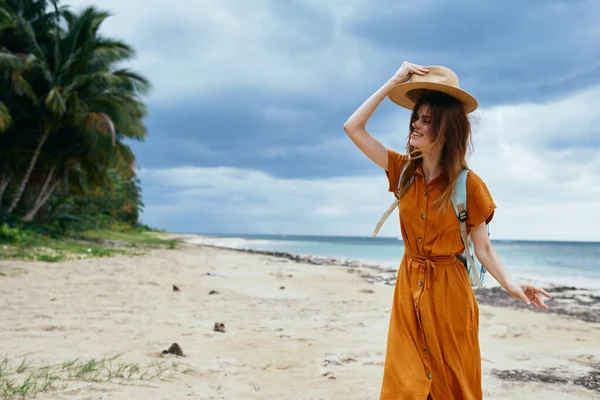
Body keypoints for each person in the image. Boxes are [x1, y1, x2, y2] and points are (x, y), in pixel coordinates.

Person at [343, 62, 552, 400]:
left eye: (426, 120)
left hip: (450, 296)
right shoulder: (402, 171)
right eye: (416, 117)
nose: (415, 124)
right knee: (404, 384)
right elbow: (353, 127)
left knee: (454, 387)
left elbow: (483, 249)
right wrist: (393, 82)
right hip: (408, 289)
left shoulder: (469, 185)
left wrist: (513, 286)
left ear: (444, 131)